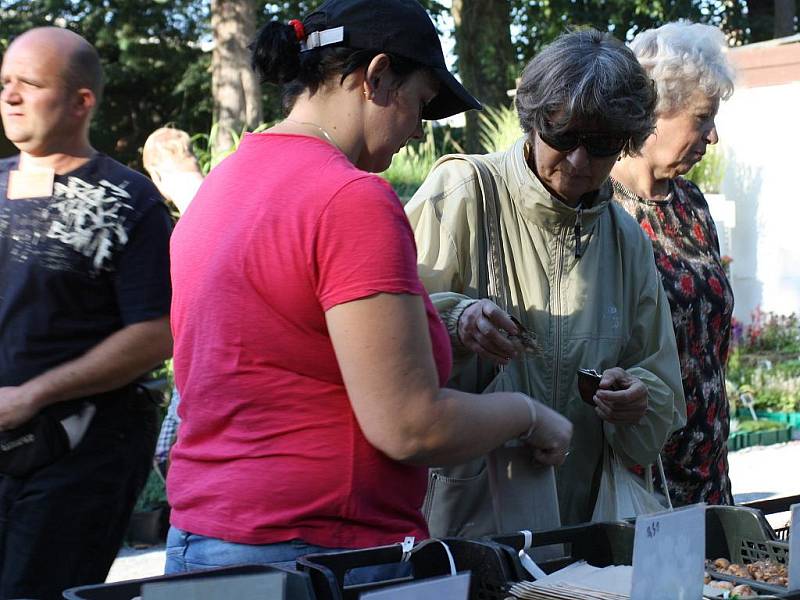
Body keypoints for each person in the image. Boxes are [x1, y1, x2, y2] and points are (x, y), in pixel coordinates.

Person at [166, 0, 572, 574]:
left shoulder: (222, 184)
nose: (416, 130)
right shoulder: (350, 198)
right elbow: (410, 425)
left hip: (204, 544)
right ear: (377, 77)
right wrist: (530, 415)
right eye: (421, 104)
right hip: (319, 553)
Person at [406, 29, 687, 527]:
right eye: (564, 136)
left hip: (584, 525)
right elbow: (386, 340)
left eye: (601, 145)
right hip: (466, 519)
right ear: (535, 121)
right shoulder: (464, 194)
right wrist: (456, 318)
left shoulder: (626, 239)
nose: (579, 161)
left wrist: (636, 396)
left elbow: (658, 382)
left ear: (627, 144)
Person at [0, 27, 173, 599]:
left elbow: (156, 333)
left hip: (77, 456)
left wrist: (32, 395)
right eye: (5, 82)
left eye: (30, 83)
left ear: (82, 101)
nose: (11, 96)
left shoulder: (131, 200)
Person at [610, 22, 736, 506]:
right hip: (642, 474)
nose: (713, 136)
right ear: (656, 113)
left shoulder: (691, 201)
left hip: (708, 463)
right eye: (702, 118)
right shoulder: (604, 209)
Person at [141, 127, 204, 472]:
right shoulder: (232, 196)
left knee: (169, 457)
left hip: (203, 367)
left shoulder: (186, 227)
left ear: (159, 175)